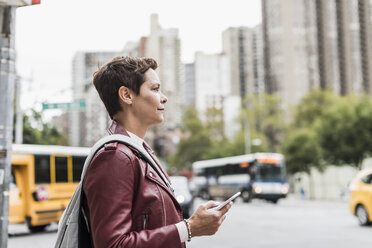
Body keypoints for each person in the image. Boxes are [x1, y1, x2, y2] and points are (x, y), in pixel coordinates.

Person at [82, 56, 232, 248]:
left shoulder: (139, 151)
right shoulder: (115, 156)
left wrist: (192, 224)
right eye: (154, 88)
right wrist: (189, 228)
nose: (164, 97)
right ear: (127, 95)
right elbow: (113, 244)